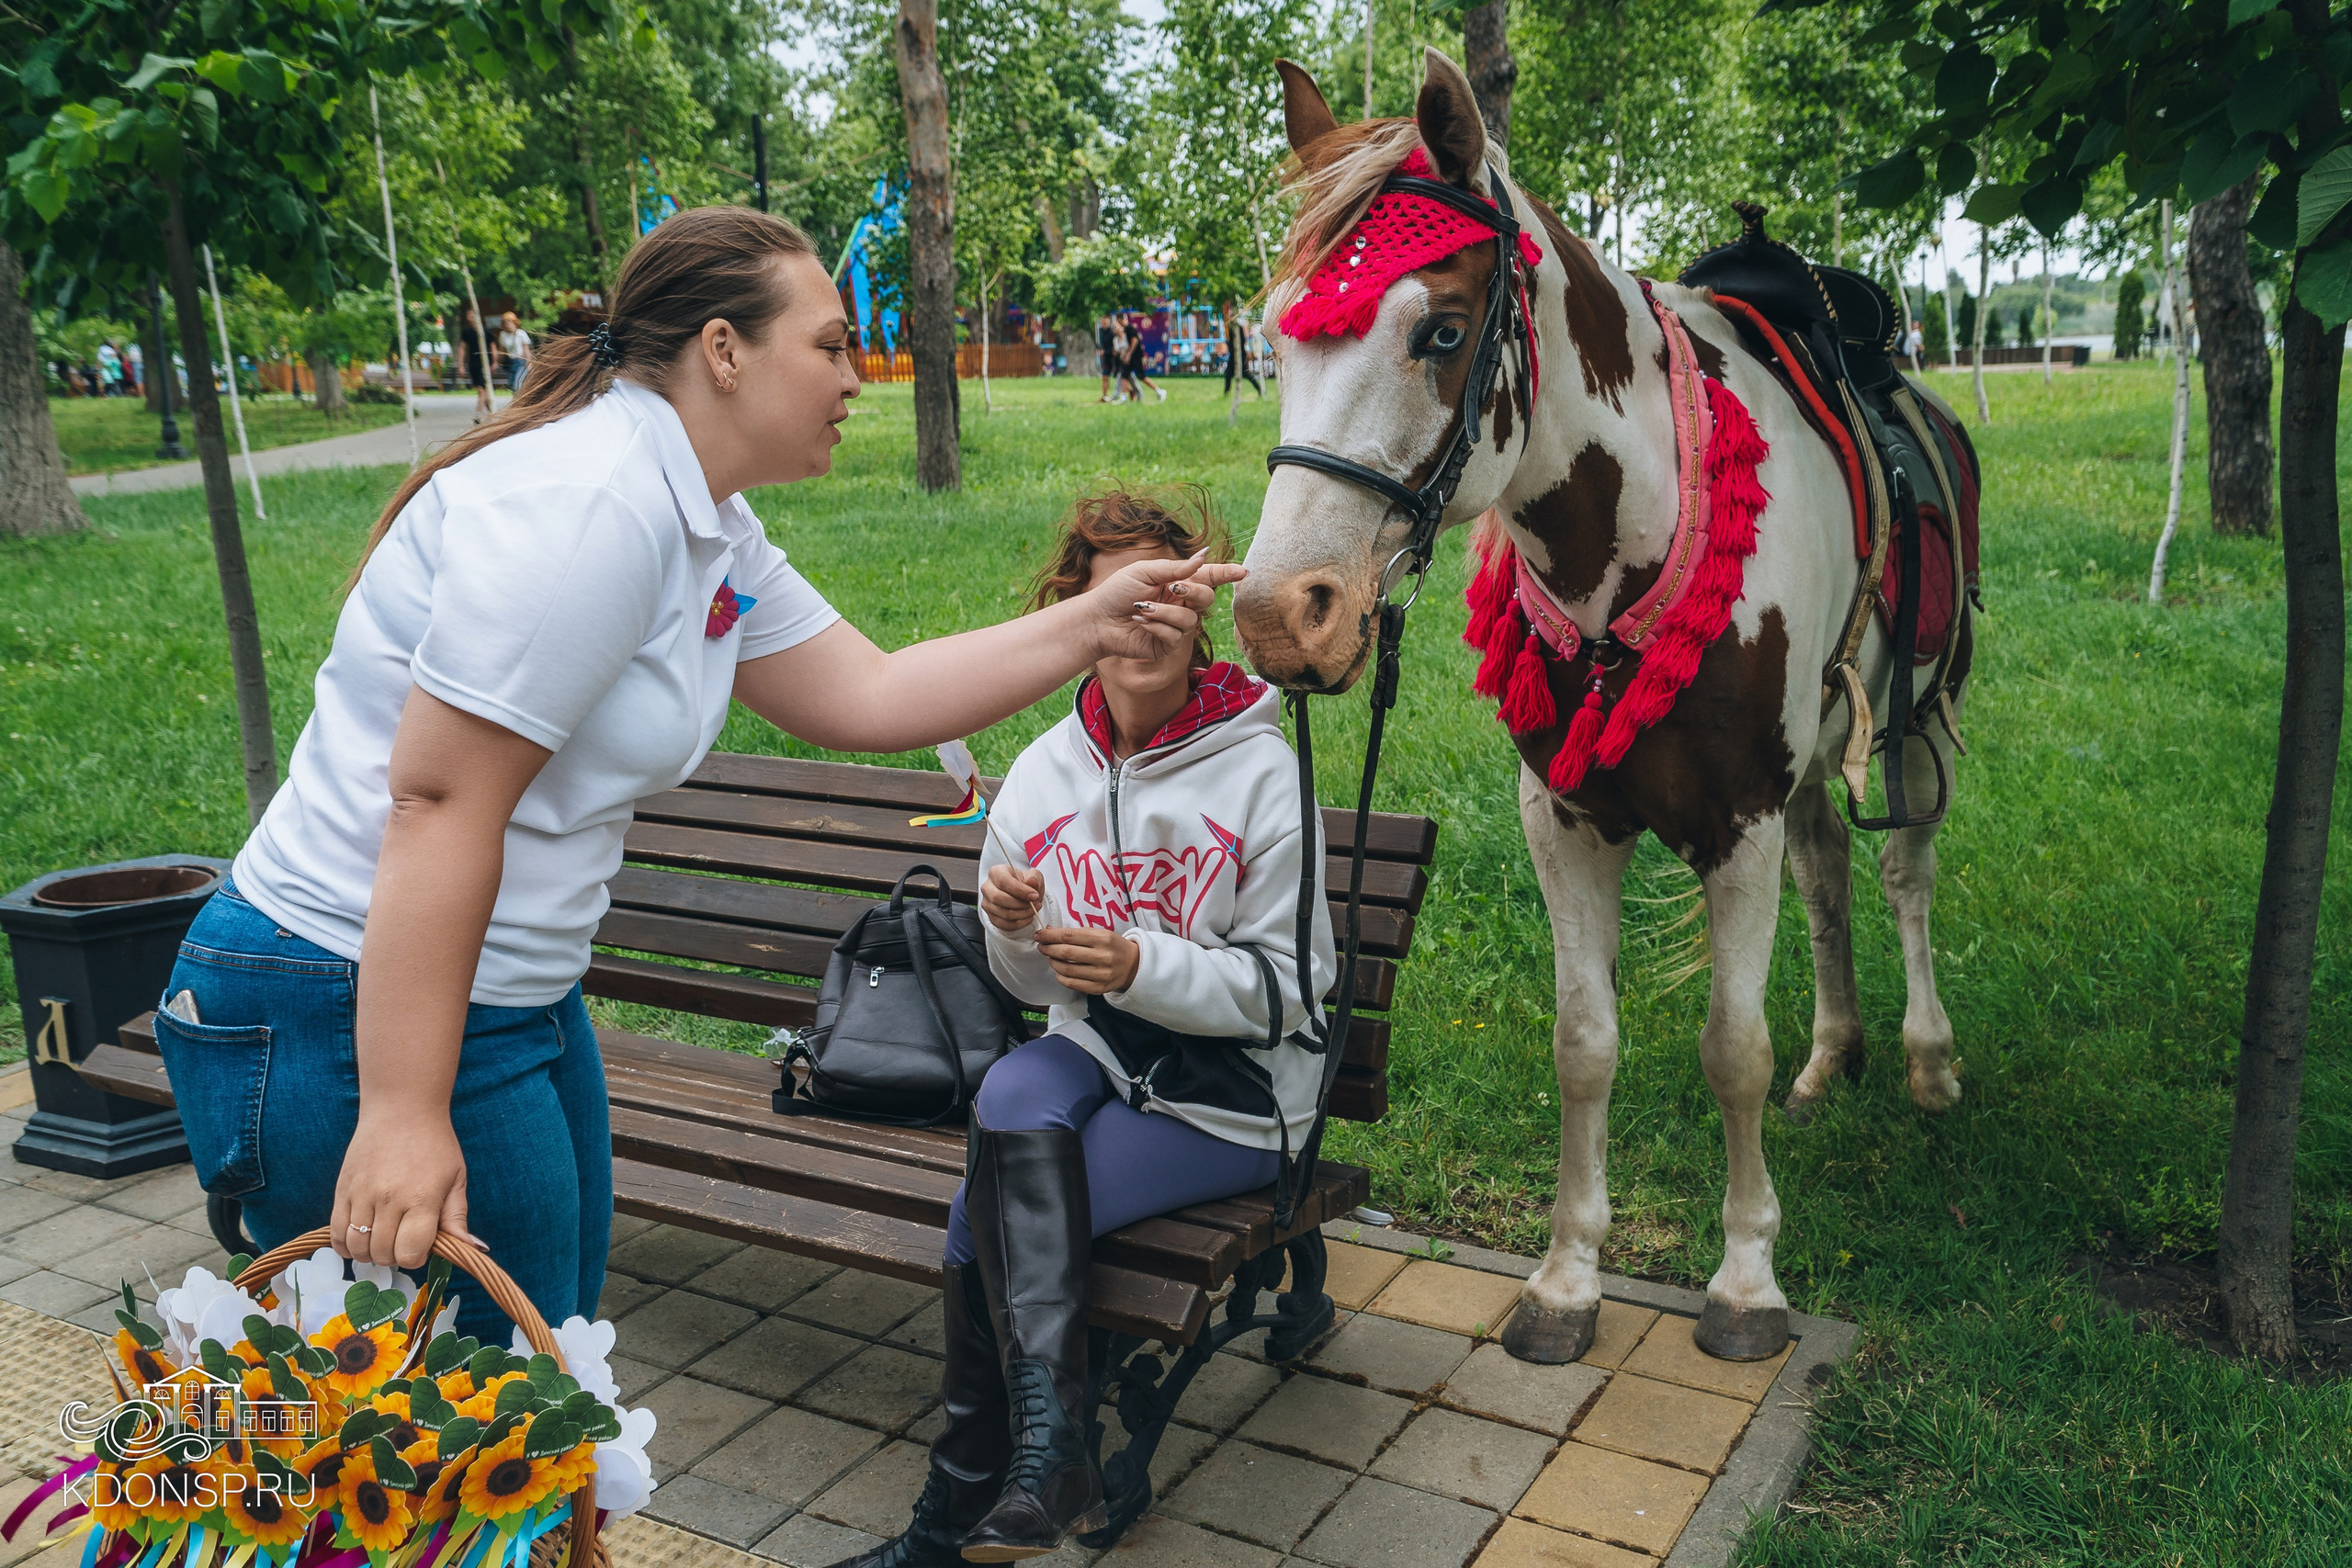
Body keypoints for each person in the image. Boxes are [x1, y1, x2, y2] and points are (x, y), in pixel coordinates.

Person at [148, 208, 1242, 1349]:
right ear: (724, 350)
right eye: (828, 345)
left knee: (538, 1378)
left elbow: (867, 693)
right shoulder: (593, 507)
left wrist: (1096, 617)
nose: (854, 376)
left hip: (506, 992)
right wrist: (404, 1112)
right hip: (345, 991)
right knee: (448, 1432)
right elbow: (440, 801)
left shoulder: (702, 519)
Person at [842, 488, 1333, 1567]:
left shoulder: (1261, 769)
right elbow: (1029, 988)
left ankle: (957, 1517)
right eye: (1117, 592)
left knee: (986, 1220)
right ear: (1076, 609)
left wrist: (1139, 965)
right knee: (1014, 1096)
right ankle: (1045, 1462)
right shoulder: (1043, 774)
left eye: (1166, 590)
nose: (1145, 617)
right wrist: (1010, 926)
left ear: (1201, 609)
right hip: (1103, 1056)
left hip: (1236, 1092)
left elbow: (1292, 992)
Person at [1222, 299, 1262, 400]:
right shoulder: (1231, 328)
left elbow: (1241, 341)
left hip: (1239, 355)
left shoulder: (1237, 328)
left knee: (1245, 373)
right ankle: (1226, 393)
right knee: (1228, 374)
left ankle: (1259, 388)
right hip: (1233, 355)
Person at [459, 305, 494, 421]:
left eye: (472, 314)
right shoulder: (466, 332)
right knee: (481, 391)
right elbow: (462, 348)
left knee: (481, 389)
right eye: (468, 315)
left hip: (485, 362)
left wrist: (494, 362)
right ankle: (492, 412)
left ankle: (478, 414)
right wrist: (460, 365)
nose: (470, 317)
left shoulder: (485, 331)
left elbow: (492, 346)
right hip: (473, 363)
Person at [1123, 313, 1165, 403]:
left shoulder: (1129, 328)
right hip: (1133, 356)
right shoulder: (1127, 329)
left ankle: (1159, 391)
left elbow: (1135, 341)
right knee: (1124, 374)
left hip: (1136, 356)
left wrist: (1129, 354)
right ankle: (1124, 397)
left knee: (1141, 376)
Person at [497, 310, 532, 393]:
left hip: (520, 362)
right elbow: (502, 350)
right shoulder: (503, 335)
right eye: (504, 322)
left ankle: (521, 403)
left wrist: (529, 364)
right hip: (510, 362)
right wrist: (497, 362)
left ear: (514, 322)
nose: (507, 324)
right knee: (512, 386)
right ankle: (517, 404)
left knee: (517, 385)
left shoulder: (521, 334)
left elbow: (526, 350)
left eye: (509, 322)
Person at [1095, 315, 1115, 402]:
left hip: (1112, 358)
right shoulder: (1099, 332)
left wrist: (1105, 352)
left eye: (1106, 323)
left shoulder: (1112, 333)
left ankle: (1130, 391)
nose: (1104, 325)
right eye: (1102, 323)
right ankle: (1104, 396)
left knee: (1119, 377)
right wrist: (1098, 351)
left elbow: (1114, 347)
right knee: (1104, 377)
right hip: (1105, 359)